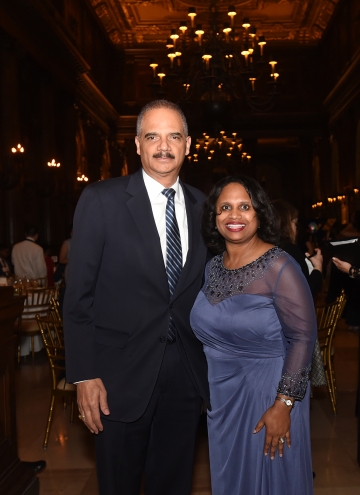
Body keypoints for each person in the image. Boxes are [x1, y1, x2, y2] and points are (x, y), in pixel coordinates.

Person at [63, 100, 209, 495]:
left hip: (185, 378)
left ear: (188, 145)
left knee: (173, 484)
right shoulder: (101, 200)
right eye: (153, 136)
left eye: (174, 136)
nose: (164, 146)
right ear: (138, 145)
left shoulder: (203, 206)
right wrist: (83, 374)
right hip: (116, 379)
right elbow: (78, 297)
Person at [190, 176, 317, 495]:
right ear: (214, 217)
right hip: (222, 401)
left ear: (259, 213)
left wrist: (283, 404)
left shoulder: (280, 267)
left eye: (244, 207)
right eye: (225, 208)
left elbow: (303, 338)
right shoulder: (213, 267)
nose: (235, 215)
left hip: (269, 397)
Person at [272, 199, 323, 298]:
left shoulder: (260, 248)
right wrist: (318, 266)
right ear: (286, 224)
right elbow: (307, 292)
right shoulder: (290, 251)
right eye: (295, 224)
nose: (296, 228)